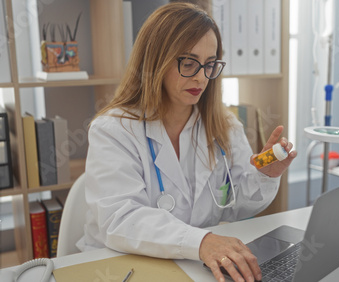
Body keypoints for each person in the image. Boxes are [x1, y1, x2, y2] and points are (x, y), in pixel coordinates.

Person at [77, 3, 297, 282]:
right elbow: (120, 219)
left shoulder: (224, 126)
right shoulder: (114, 130)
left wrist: (265, 176)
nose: (201, 77)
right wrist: (202, 242)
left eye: (209, 64)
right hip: (121, 268)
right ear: (155, 60)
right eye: (189, 62)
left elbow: (239, 204)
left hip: (196, 267)